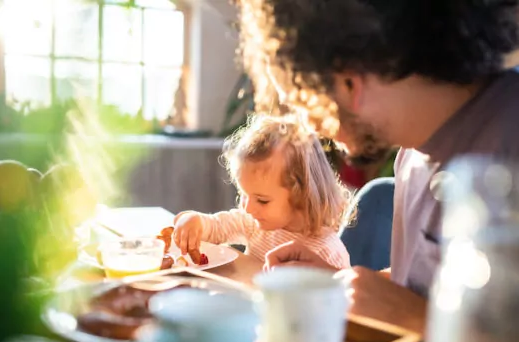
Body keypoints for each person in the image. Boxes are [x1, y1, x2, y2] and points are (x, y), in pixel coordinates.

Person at [238, 0, 519, 296]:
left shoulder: (509, 138)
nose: (311, 127)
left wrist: (413, 319)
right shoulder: (411, 153)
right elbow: (416, 289)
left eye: (304, 104)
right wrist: (336, 281)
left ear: (349, 83)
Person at [173, 114, 352, 269]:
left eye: (262, 200)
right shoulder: (255, 222)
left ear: (302, 196)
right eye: (244, 195)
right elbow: (218, 227)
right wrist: (197, 223)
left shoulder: (326, 253)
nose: (248, 209)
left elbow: (342, 304)